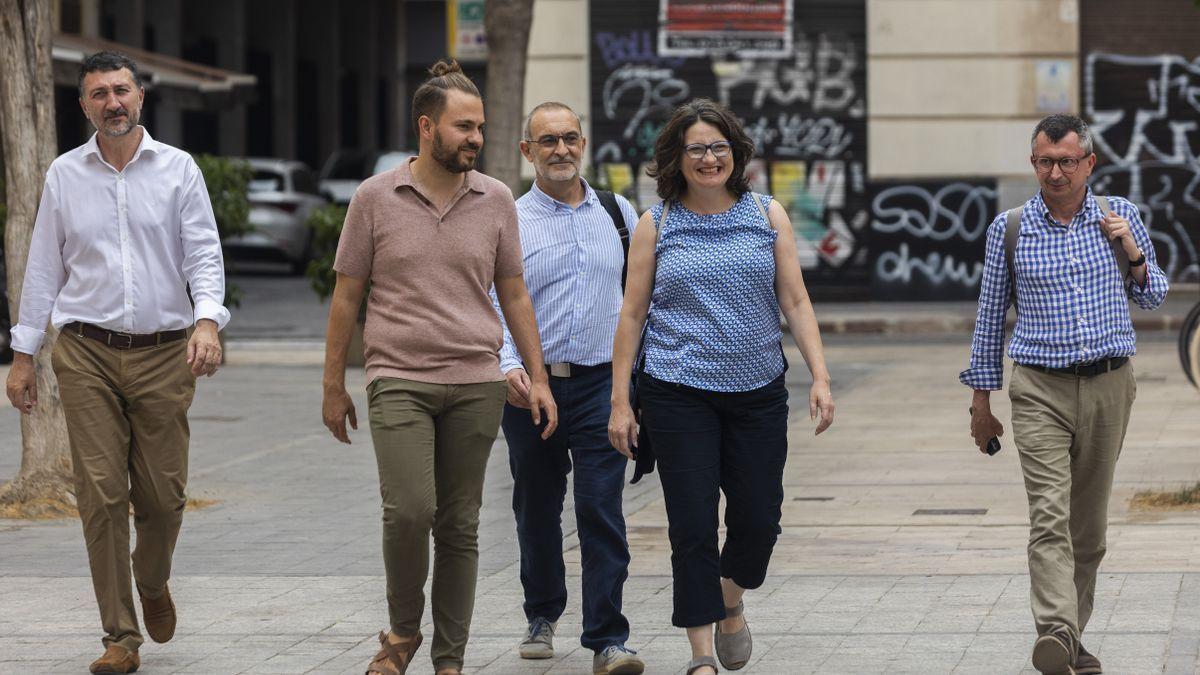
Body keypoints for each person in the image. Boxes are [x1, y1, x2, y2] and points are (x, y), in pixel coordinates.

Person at [320, 60, 557, 675]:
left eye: (479, 127)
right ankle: (402, 633)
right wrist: (332, 385)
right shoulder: (375, 196)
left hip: (477, 381)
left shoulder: (496, 198)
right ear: (427, 128)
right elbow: (346, 295)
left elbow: (515, 293)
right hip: (398, 375)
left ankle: (449, 658)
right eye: (463, 127)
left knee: (459, 523)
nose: (475, 138)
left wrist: (537, 375)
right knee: (409, 510)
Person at [4, 51, 228, 674]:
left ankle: (152, 582)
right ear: (85, 106)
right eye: (99, 93)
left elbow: (203, 256)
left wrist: (207, 319)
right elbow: (43, 269)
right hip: (85, 352)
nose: (113, 102)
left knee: (162, 498)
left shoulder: (178, 170)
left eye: (121, 90)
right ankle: (119, 636)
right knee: (102, 495)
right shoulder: (63, 176)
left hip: (164, 353)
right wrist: (24, 355)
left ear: (140, 97)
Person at [607, 98, 835, 675]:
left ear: (735, 154)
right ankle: (702, 655)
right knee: (691, 523)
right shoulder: (655, 224)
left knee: (759, 519)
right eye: (696, 149)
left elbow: (795, 299)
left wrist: (820, 376)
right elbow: (631, 315)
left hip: (758, 391)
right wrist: (618, 403)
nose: (709, 158)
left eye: (718, 148)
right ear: (676, 159)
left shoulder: (767, 214)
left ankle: (731, 597)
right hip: (677, 391)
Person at [962, 113, 1168, 675]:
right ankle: (1055, 628)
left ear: (1089, 164)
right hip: (1039, 390)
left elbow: (1154, 297)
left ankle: (1070, 640)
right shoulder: (1010, 228)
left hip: (1109, 385)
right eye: (1044, 161)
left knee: (1089, 528)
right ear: (1034, 163)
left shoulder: (1120, 216)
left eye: (1067, 161)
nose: (1055, 172)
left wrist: (1131, 252)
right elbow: (989, 317)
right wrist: (981, 401)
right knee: (1049, 516)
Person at [497, 102, 645, 675]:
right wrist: (514, 370)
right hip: (534, 389)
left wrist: (634, 385)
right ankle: (542, 612)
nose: (561, 150)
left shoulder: (618, 211)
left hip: (604, 387)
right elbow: (495, 302)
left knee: (600, 507)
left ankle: (609, 637)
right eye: (547, 141)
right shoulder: (509, 218)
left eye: (570, 139)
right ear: (527, 150)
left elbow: (641, 297)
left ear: (583, 144)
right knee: (536, 504)